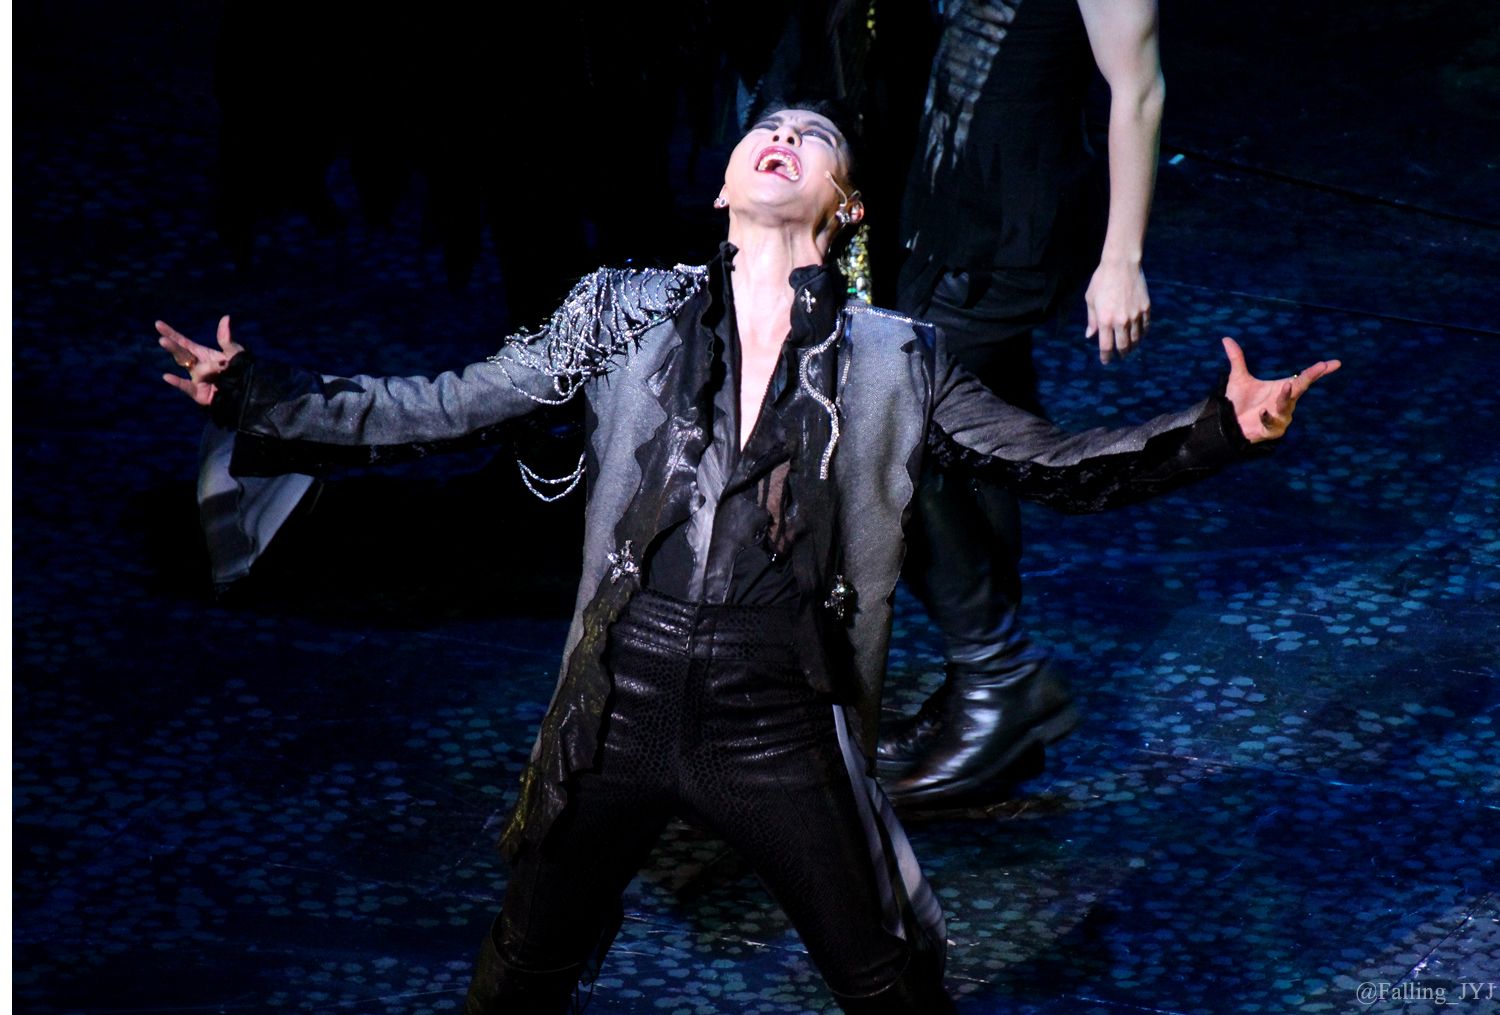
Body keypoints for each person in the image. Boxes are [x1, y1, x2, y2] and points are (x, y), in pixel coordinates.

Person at [158, 102, 1337, 1013]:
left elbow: (1056, 464)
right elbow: (452, 403)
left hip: (778, 715)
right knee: (523, 965)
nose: (783, 139)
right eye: (765, 129)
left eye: (813, 140)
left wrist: (1218, 430)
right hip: (617, 699)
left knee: (887, 977)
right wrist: (263, 395)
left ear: (846, 205)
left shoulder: (899, 358)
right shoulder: (619, 309)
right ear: (725, 183)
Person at [878, 0, 1170, 808]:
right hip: (949, 197)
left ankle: (997, 679)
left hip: (1008, 222)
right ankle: (981, 694)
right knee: (980, 442)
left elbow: (1138, 87)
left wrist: (1122, 259)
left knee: (903, 424)